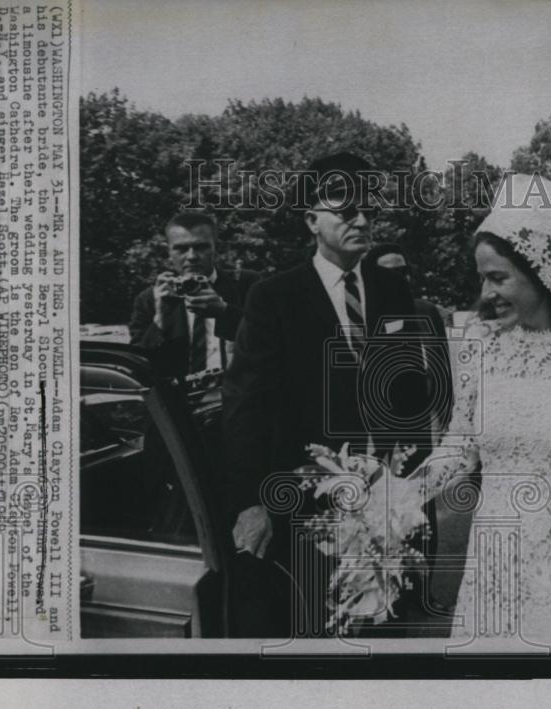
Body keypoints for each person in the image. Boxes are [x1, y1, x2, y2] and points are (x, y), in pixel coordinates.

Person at [221, 152, 439, 637]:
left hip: (387, 513)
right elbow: (245, 406)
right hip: (303, 514)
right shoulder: (273, 297)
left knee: (383, 647)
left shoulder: (394, 292)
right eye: (346, 210)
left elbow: (409, 404)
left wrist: (415, 499)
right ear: (312, 221)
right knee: (311, 644)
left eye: (368, 210)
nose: (361, 220)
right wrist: (250, 503)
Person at [419, 174, 551, 641]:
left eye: (498, 278)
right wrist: (400, 498)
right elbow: (460, 446)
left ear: (541, 272)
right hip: (492, 565)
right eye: (482, 279)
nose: (486, 293)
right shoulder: (480, 345)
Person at [129, 211, 260, 381]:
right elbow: (138, 369)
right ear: (168, 252)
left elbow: (273, 340)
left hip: (237, 398)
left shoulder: (246, 284)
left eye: (201, 247)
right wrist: (160, 320)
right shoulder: (149, 299)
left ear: (216, 248)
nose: (191, 257)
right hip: (179, 401)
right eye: (181, 249)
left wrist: (225, 312)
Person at [369, 242, 454, 431]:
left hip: (422, 419)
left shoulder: (426, 311)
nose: (402, 278)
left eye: (403, 271)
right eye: (391, 273)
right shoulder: (365, 315)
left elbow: (442, 369)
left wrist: (447, 422)